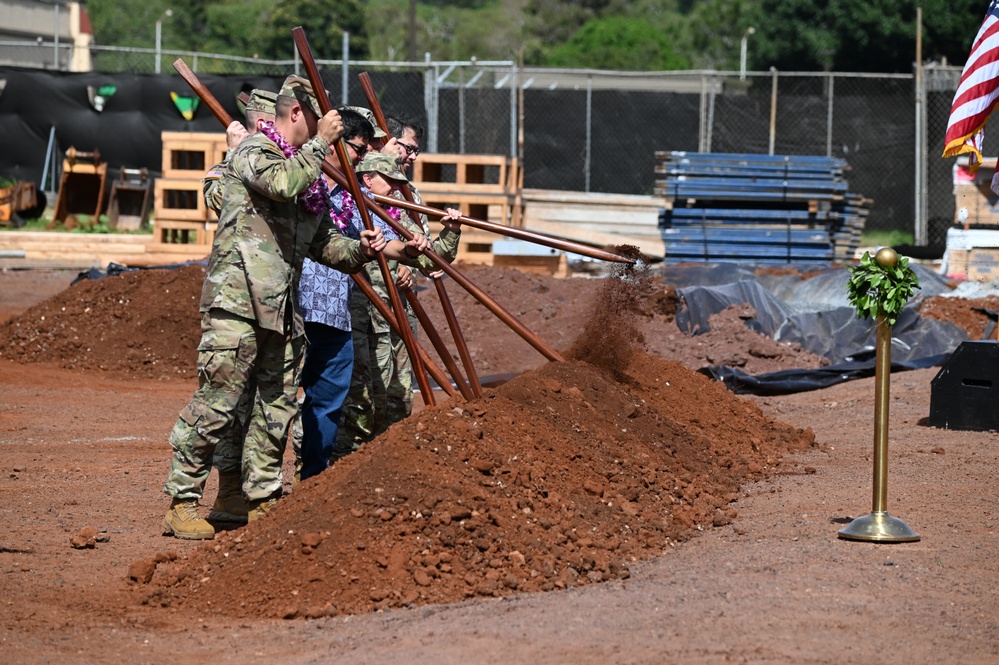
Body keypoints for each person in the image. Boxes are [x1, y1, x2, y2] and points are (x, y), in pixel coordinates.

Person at [161, 75, 424, 540]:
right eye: (322, 125)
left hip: (282, 311)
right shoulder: (256, 153)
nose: (333, 139)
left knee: (274, 409)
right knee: (217, 404)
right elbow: (283, 183)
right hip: (238, 303)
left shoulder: (308, 183)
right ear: (298, 113)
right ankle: (183, 501)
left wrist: (365, 248)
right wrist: (323, 142)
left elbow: (326, 246)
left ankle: (262, 501)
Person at [335, 150, 462, 459]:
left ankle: (389, 462)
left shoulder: (400, 213)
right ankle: (342, 465)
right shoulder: (346, 210)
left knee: (399, 396)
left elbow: (433, 256)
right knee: (360, 399)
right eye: (388, 181)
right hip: (357, 317)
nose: (394, 188)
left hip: (395, 317)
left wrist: (452, 230)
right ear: (367, 179)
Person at [293, 108, 387, 482]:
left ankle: (313, 478)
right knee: (276, 396)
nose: (363, 159)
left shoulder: (359, 196)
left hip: (335, 310)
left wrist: (411, 248)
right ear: (334, 142)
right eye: (359, 149)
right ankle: (254, 487)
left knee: (328, 399)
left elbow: (384, 238)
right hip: (294, 307)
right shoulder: (298, 172)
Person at [199, 88, 276, 525]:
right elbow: (216, 201)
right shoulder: (230, 164)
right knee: (229, 403)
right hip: (234, 299)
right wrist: (231, 156)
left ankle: (257, 491)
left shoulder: (279, 161)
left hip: (272, 300)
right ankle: (228, 493)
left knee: (267, 405)